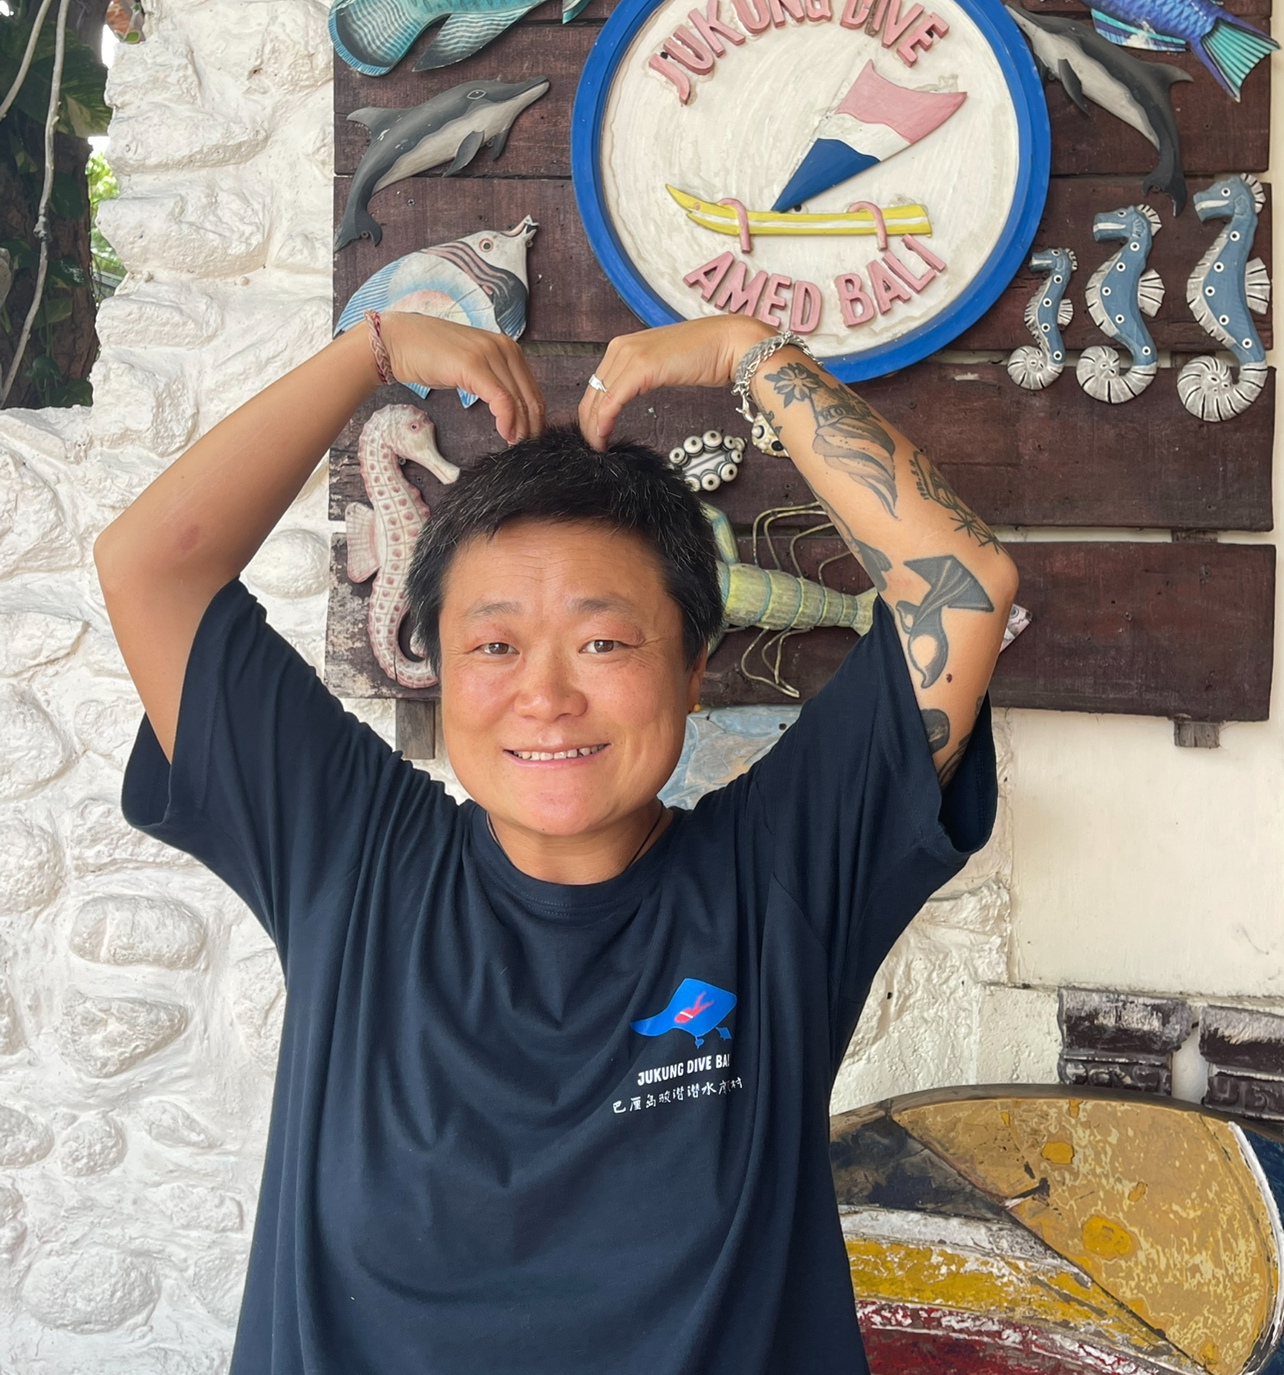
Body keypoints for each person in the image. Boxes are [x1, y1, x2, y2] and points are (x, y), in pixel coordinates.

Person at [95, 310, 1018, 1375]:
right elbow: (151, 568)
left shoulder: (778, 878)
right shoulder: (350, 855)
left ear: (692, 667)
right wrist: (370, 352)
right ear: (437, 670)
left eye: (603, 639)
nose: (545, 695)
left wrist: (750, 354)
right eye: (494, 644)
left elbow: (961, 585)